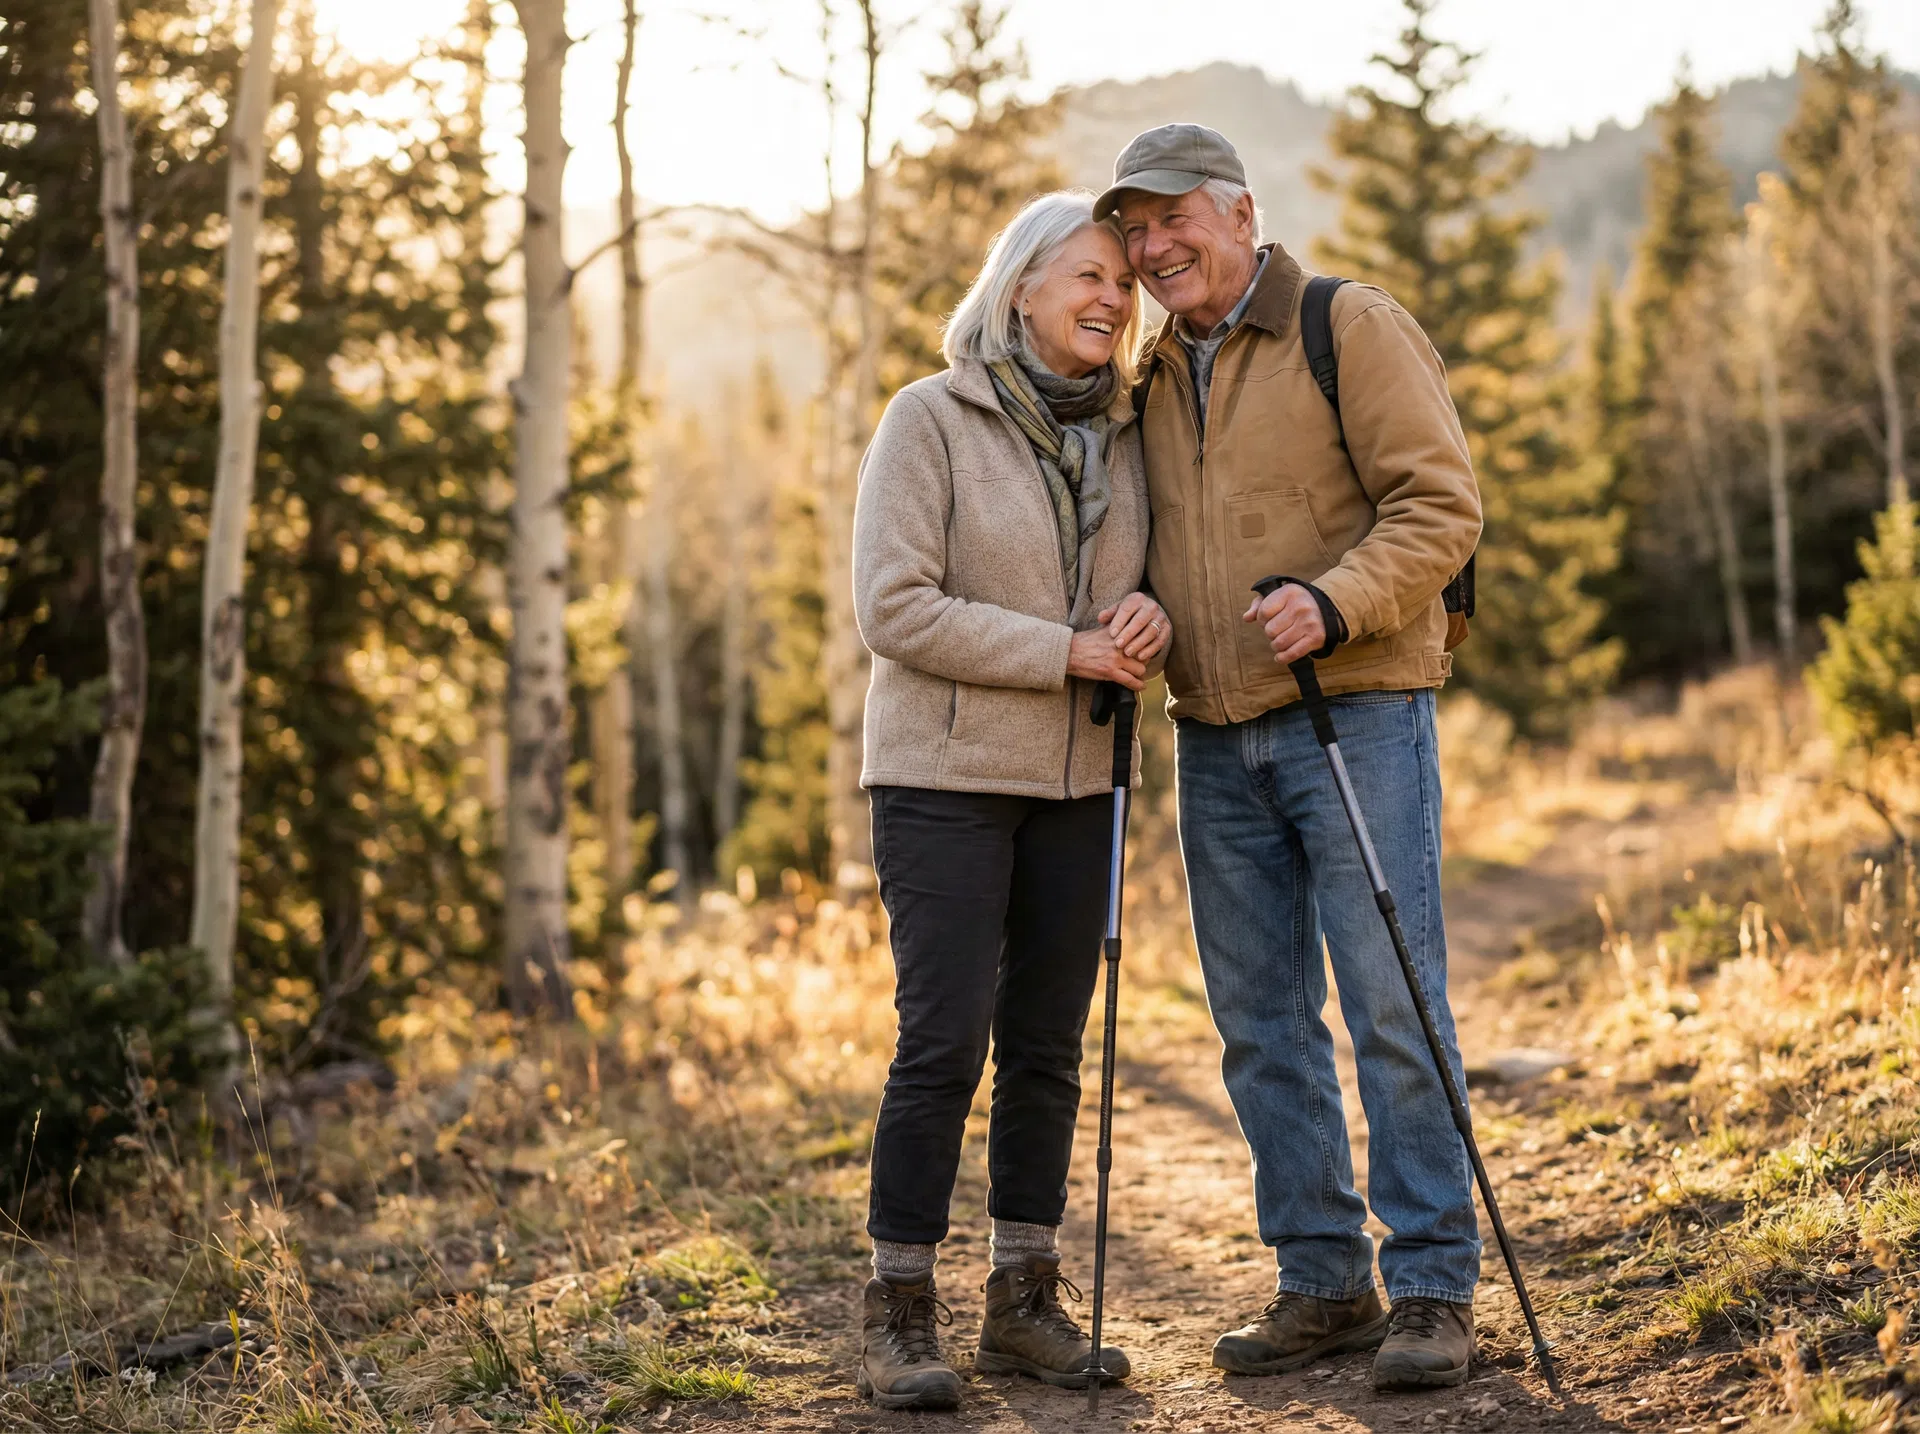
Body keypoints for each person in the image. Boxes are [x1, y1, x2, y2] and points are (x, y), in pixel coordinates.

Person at [1096, 125, 1485, 1392]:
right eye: (1136, 230)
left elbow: (1439, 502)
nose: (1156, 249)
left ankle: (1430, 1282)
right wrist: (1133, 613)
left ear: (1242, 212)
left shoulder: (1342, 322)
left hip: (1353, 709)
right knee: (1259, 1022)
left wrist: (1335, 598)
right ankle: (1322, 1281)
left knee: (1391, 1000)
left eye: (1176, 221)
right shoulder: (1149, 375)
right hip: (1208, 732)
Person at [848, 190, 1172, 1411]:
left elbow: (1142, 595)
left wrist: (1153, 617)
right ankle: (896, 1309)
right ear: (1019, 287)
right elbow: (895, 606)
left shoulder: (1127, 435)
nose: (1109, 298)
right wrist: (1063, 650)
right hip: (942, 777)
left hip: (1080, 775)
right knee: (943, 1041)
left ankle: (1023, 1303)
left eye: (1121, 284)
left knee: (1047, 1048)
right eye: (1085, 274)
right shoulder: (928, 420)